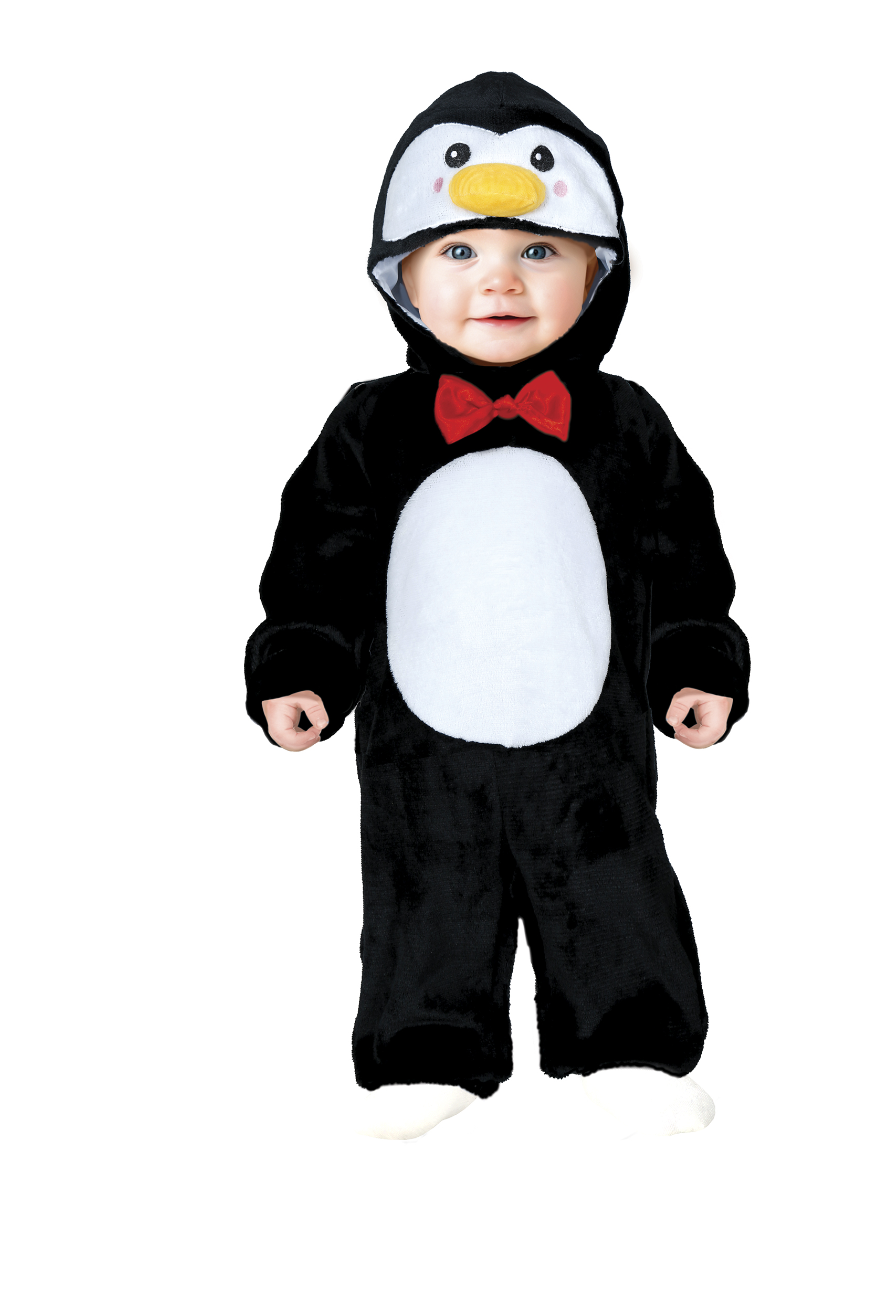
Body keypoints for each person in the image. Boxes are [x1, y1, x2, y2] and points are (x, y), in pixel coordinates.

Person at [246, 72, 750, 1139]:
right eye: (460, 252)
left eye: (541, 251)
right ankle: (428, 1048)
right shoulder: (370, 426)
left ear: (599, 271)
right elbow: (318, 559)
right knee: (423, 879)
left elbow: (682, 553)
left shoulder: (625, 424)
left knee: (611, 874)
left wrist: (695, 662)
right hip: (418, 738)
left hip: (594, 733)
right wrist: (302, 666)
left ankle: (629, 1045)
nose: (501, 281)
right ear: (402, 278)